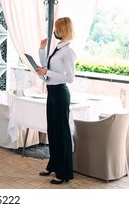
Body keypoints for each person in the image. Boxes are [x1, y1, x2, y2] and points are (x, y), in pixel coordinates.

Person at [36, 17, 76, 185]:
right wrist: (41, 50)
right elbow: (48, 67)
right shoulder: (58, 49)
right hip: (52, 92)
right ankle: (53, 165)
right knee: (52, 130)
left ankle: (64, 172)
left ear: (62, 30)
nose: (54, 31)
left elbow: (70, 78)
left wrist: (48, 73)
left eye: (56, 28)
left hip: (60, 93)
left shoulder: (68, 52)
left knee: (62, 132)